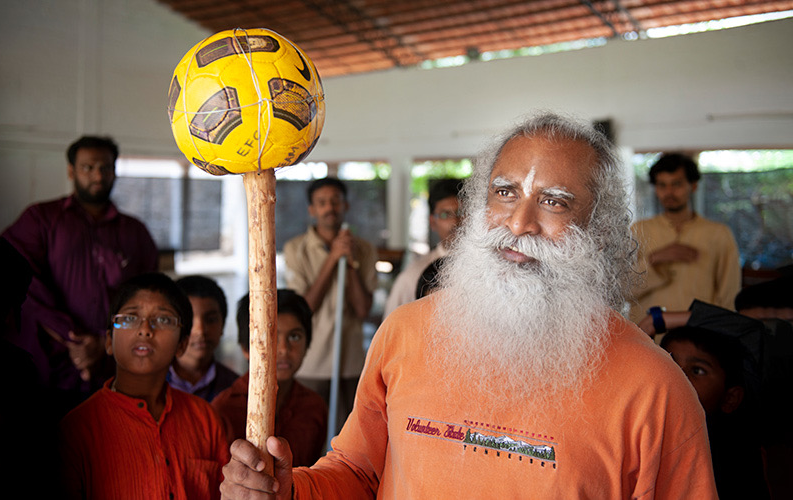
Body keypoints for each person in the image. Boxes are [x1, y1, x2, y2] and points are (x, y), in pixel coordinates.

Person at [220, 112, 717, 498]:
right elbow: (357, 472)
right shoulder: (404, 334)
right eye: (504, 192)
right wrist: (291, 492)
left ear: (601, 231)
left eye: (555, 201)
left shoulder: (655, 388)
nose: (519, 222)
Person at [0, 135, 158, 408]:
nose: (98, 175)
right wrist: (72, 337)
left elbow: (150, 298)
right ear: (71, 170)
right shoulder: (41, 219)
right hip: (47, 369)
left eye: (105, 168)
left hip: (115, 369)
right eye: (88, 167)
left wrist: (103, 341)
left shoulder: (135, 232)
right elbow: (12, 276)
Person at [59, 272, 228, 500]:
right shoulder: (77, 429)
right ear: (109, 341)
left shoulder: (205, 418)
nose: (146, 329)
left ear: (182, 344)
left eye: (163, 319)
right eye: (130, 318)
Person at [282, 177, 378, 429]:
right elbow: (303, 309)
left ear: (345, 205)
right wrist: (333, 259)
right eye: (322, 202)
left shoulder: (365, 250)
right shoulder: (295, 249)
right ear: (312, 210)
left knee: (346, 436)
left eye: (335, 201)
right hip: (311, 363)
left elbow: (363, 309)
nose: (329, 208)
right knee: (309, 434)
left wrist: (350, 261)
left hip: (350, 363)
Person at [211, 289, 328, 467]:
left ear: (308, 344)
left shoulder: (315, 407)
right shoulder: (223, 408)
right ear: (245, 348)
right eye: (270, 337)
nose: (283, 349)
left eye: (294, 337)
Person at [629, 152, 740, 324]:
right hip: (648, 340)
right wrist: (656, 258)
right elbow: (624, 290)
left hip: (700, 338)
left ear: (693, 186)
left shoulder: (718, 234)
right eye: (662, 185)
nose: (669, 192)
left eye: (677, 184)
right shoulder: (638, 230)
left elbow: (729, 296)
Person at [661, 326, 770, 499]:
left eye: (697, 370)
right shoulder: (644, 434)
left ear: (730, 399)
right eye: (669, 364)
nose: (678, 376)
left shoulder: (736, 461)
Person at [383, 178, 462, 318]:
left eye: (462, 212)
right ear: (432, 222)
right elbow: (393, 329)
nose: (455, 221)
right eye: (445, 215)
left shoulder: (493, 269)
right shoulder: (413, 276)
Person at [168, 275, 239, 402]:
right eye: (189, 320)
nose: (200, 331)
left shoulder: (236, 389)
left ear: (222, 325)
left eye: (211, 320)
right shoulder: (150, 384)